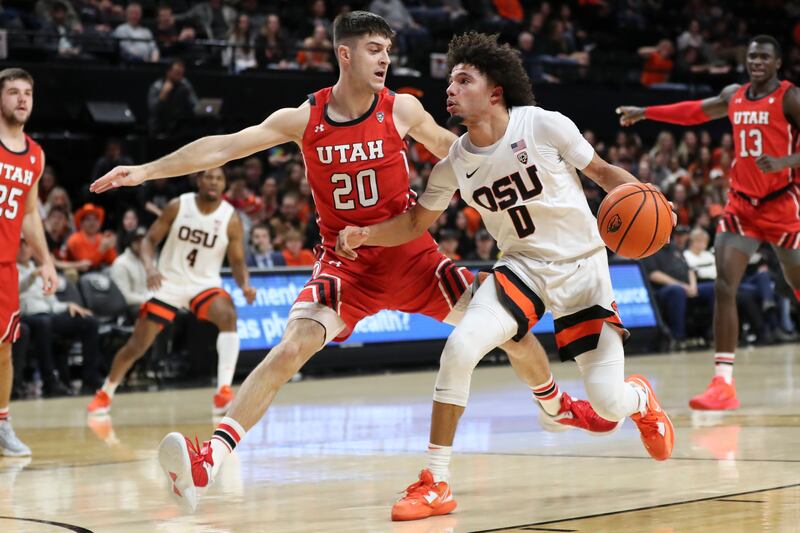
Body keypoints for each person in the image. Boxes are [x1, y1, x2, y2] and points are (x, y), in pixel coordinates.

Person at [90, 12, 612, 514]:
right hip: (346, 266)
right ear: (344, 53)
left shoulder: (400, 109)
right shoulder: (303, 118)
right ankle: (209, 461)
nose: (385, 58)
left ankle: (554, 406)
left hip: (412, 255)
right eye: (374, 49)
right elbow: (224, 147)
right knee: (291, 346)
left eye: (388, 50)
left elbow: (459, 153)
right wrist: (144, 170)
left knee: (511, 333)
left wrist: (523, 170)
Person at [337, 32, 675, 521]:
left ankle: (640, 399)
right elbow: (413, 224)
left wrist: (654, 199)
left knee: (608, 402)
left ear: (495, 91)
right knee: (459, 349)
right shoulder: (453, 164)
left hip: (583, 270)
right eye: (450, 80)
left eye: (463, 79)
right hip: (521, 268)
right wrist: (365, 235)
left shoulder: (543, 125)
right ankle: (437, 483)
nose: (450, 88)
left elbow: (603, 174)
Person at [617, 35, 800, 410]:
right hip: (741, 207)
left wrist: (785, 163)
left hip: (782, 204)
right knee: (724, 286)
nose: (757, 62)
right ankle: (723, 383)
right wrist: (648, 112)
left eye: (765, 57)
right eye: (752, 57)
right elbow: (694, 112)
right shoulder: (734, 94)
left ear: (778, 63)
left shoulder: (790, 97)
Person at [86, 168, 257, 417]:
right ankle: (105, 392)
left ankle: (223, 392)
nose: (214, 182)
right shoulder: (178, 205)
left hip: (203, 284)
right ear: (198, 180)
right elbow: (148, 240)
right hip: (169, 282)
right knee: (137, 345)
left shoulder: (230, 218)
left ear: (224, 185)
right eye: (209, 176)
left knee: (228, 316)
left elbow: (238, 261)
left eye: (219, 178)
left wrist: (245, 285)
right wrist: (149, 268)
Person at [0, 68, 58, 455]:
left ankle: (2, 425)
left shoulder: (35, 156)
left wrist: (47, 259)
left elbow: (32, 214)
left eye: (28, 93)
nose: (22, 99)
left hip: (5, 265)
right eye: (13, 92)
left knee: (3, 350)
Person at [66, 203, 117, 269]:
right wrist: (101, 250)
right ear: (81, 223)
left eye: (95, 219)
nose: (92, 222)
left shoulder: (102, 238)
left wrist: (111, 247)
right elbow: (87, 265)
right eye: (88, 219)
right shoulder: (74, 239)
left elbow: (113, 261)